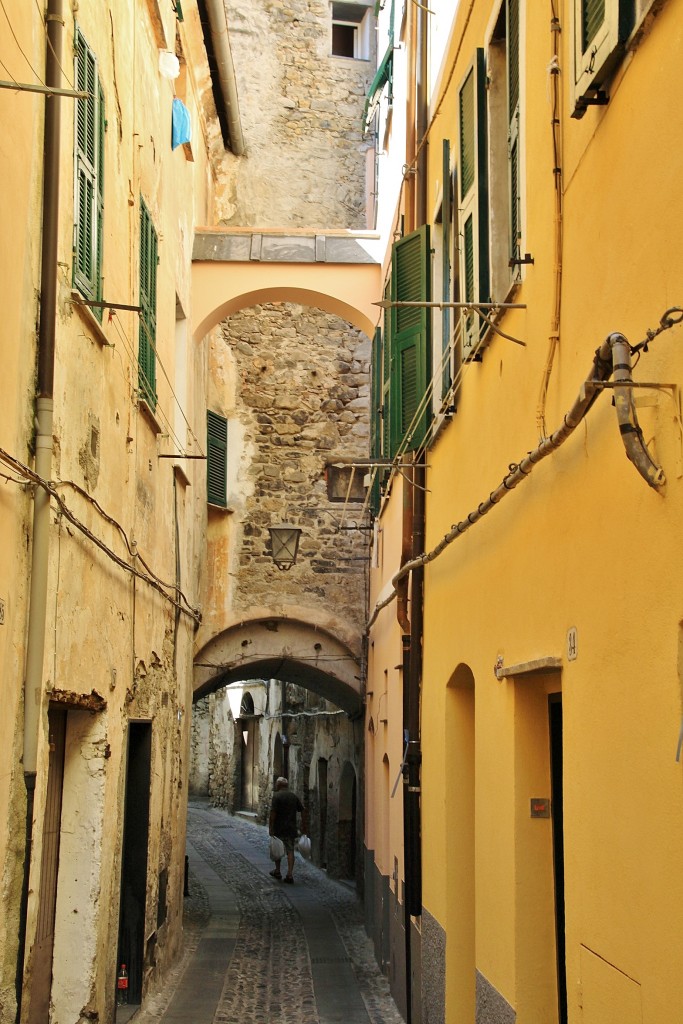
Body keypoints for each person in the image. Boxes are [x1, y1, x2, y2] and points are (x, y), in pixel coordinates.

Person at [269, 776, 308, 883]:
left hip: (279, 828)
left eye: (277, 783)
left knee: (277, 849)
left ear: (279, 785)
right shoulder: (293, 796)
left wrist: (271, 827)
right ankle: (290, 874)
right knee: (290, 851)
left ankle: (277, 871)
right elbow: (303, 810)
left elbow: (273, 813)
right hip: (291, 828)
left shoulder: (276, 797)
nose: (276, 785)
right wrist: (304, 826)